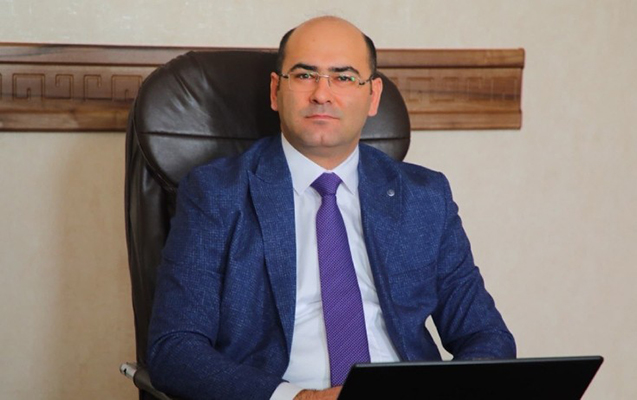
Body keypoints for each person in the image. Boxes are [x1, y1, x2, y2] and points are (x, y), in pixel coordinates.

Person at [147, 16, 515, 400]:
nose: (322, 94)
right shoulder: (217, 193)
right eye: (305, 75)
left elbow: (486, 335)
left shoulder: (424, 197)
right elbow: (175, 349)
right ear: (275, 91)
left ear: (373, 96)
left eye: (344, 77)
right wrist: (298, 399)